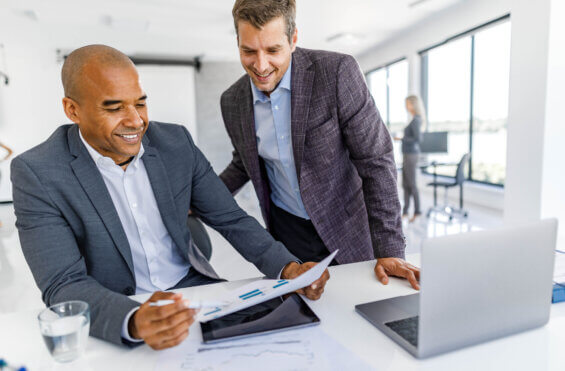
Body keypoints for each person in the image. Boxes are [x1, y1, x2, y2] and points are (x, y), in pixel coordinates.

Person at [11, 45, 329, 350]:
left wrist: (287, 267)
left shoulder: (175, 143)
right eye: (114, 107)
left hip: (195, 292)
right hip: (116, 302)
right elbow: (63, 284)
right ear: (72, 110)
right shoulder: (38, 173)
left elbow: (231, 219)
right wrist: (133, 320)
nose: (135, 120)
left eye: (140, 103)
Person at [219, 0, 420, 289]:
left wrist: (389, 249)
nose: (260, 65)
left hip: (347, 225)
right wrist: (197, 199)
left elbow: (376, 160)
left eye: (273, 50)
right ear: (237, 42)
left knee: (359, 309)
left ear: (294, 39)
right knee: (303, 317)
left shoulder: (336, 73)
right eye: (248, 51)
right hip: (288, 234)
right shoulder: (232, 101)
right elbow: (244, 161)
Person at [395, 95, 425, 223]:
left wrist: (401, 139)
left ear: (413, 105)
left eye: (408, 104)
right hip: (408, 154)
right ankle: (406, 211)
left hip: (412, 154)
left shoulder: (416, 120)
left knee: (411, 183)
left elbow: (418, 139)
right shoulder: (414, 119)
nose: (406, 107)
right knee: (405, 183)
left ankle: (417, 211)